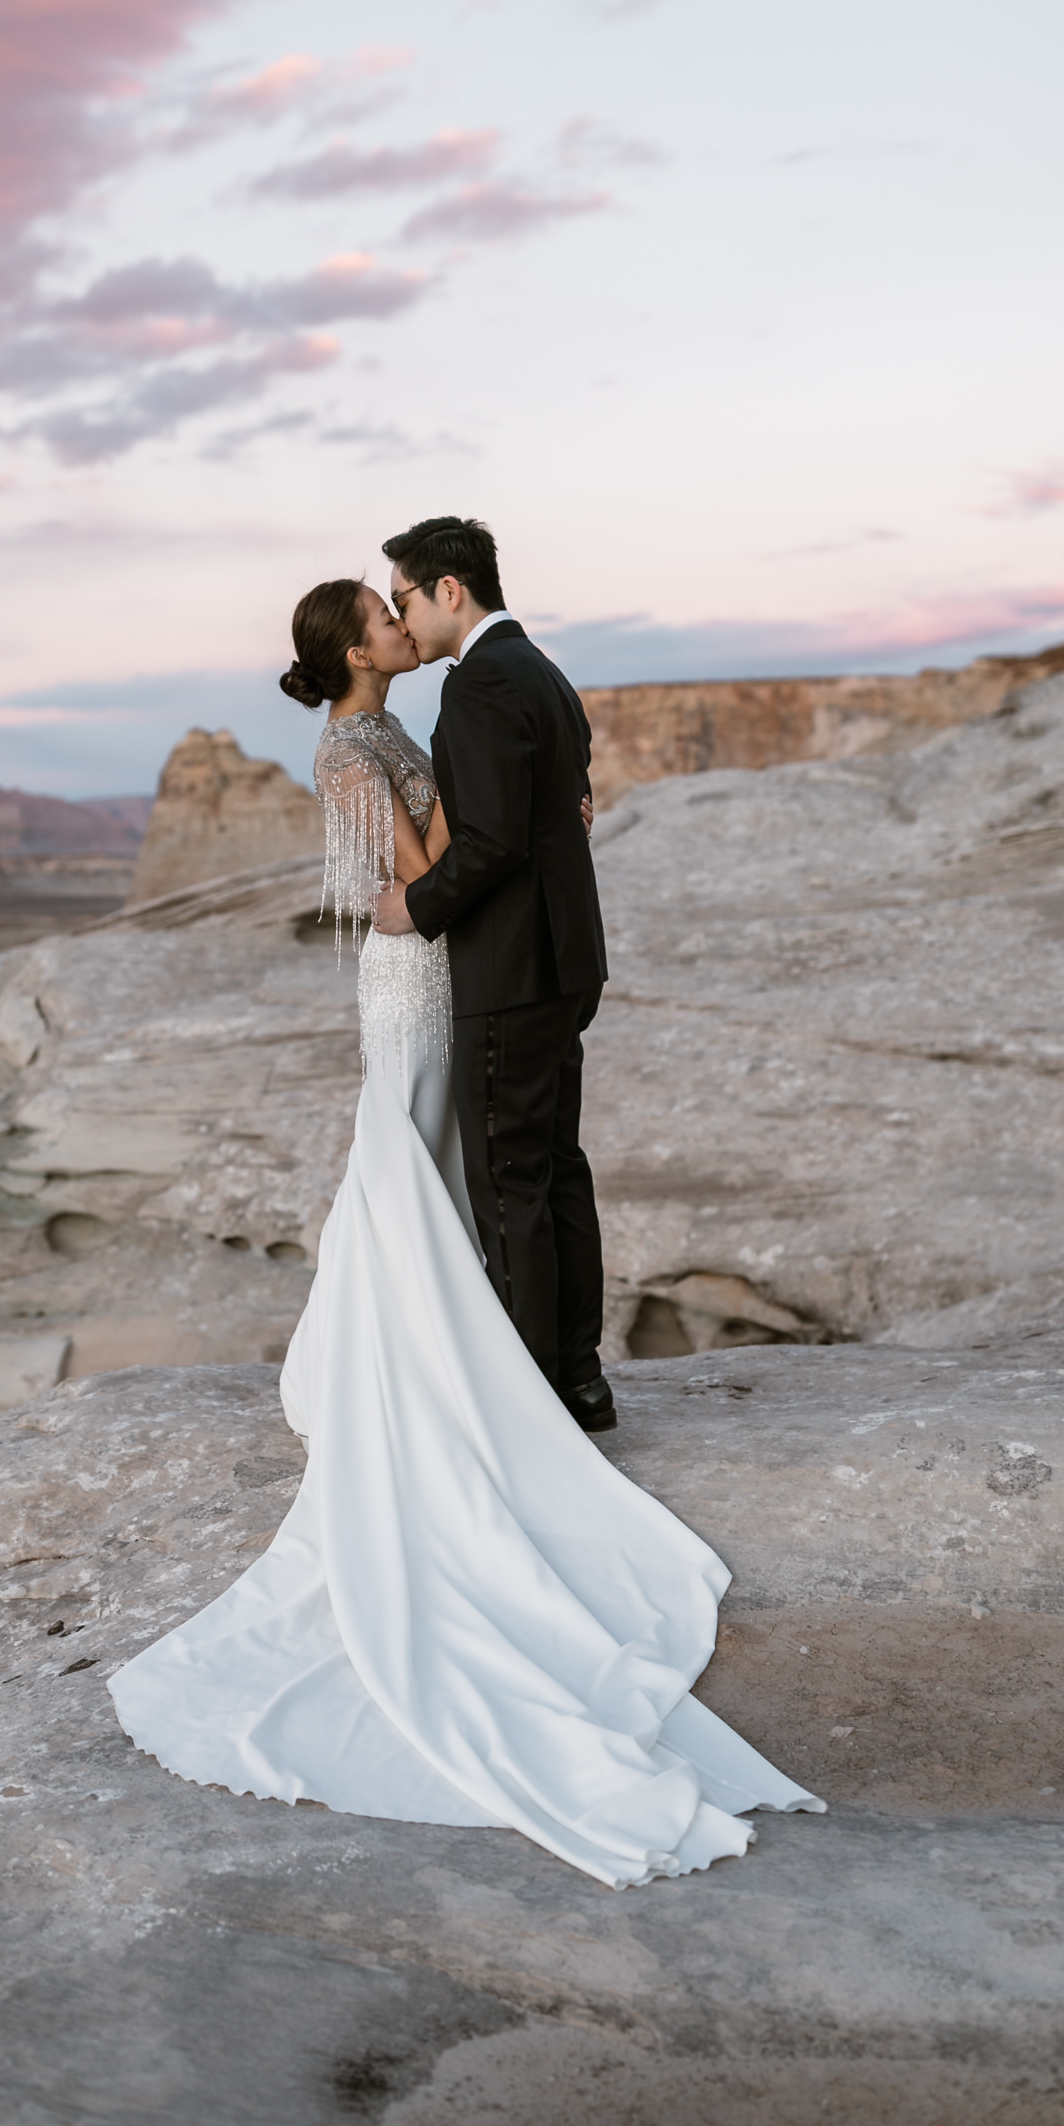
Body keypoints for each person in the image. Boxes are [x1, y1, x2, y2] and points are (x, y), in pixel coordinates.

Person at [108, 556, 823, 1889]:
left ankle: (449, 1360)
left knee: (437, 1168)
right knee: (411, 1160)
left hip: (443, 965)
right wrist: (484, 824)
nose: (395, 621)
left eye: (397, 601)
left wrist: (504, 817)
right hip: (413, 973)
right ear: (357, 649)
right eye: (378, 617)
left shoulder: (395, 725)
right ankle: (423, 1365)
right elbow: (418, 865)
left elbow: (459, 843)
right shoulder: (356, 742)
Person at [370, 517, 614, 1434]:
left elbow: (493, 842)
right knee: (555, 1170)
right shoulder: (543, 672)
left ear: (449, 590)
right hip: (566, 959)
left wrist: (416, 907)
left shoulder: (475, 687)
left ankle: (527, 1410)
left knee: (508, 1185)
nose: (404, 618)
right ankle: (579, 1379)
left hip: (510, 967)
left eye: (404, 599)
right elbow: (569, 795)